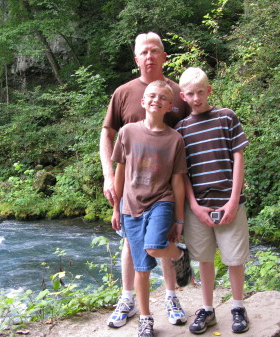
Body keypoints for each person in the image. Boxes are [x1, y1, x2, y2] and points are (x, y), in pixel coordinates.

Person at [99, 32, 190, 328]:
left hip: (165, 190)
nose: (149, 56)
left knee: (163, 239)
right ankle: (128, 300)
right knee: (130, 244)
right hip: (131, 187)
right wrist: (109, 176)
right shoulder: (124, 92)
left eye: (155, 51)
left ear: (164, 56)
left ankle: (172, 296)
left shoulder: (177, 92)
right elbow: (108, 134)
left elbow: (191, 132)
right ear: (136, 59)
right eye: (143, 52)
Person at [111, 80, 193, 337]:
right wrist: (116, 208)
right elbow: (120, 172)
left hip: (162, 201)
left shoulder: (175, 139)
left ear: (169, 106)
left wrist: (179, 219)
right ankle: (145, 318)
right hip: (131, 207)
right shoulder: (127, 132)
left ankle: (179, 256)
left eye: (162, 97)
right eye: (151, 96)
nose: (156, 100)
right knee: (141, 268)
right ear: (143, 102)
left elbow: (178, 181)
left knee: (155, 246)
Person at [175, 67, 251, 334]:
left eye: (200, 92)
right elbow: (182, 172)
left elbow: (239, 157)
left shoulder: (226, 117)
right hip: (198, 207)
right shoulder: (181, 129)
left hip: (229, 201)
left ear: (209, 90)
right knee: (204, 259)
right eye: (190, 94)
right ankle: (207, 310)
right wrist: (194, 206)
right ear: (183, 96)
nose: (196, 98)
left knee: (234, 258)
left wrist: (233, 201)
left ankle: (238, 306)